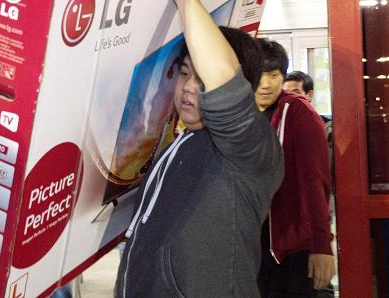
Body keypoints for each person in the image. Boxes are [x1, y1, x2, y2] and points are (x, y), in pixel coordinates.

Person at [114, 1, 284, 296]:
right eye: (184, 73)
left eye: (202, 77)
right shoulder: (176, 144)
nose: (190, 87)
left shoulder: (250, 146)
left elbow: (225, 83)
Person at [255, 38, 335, 297]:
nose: (266, 84)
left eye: (274, 75)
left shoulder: (300, 113)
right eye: (259, 75)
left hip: (292, 245)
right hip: (249, 244)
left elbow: (315, 180)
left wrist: (321, 245)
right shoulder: (238, 112)